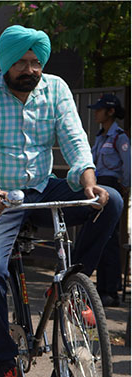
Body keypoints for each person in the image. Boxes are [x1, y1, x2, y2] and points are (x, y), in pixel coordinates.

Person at [0, 25, 122, 377]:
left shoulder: (56, 88)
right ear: (5, 64)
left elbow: (75, 139)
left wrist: (89, 181)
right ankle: (4, 365)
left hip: (43, 187)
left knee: (111, 199)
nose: (31, 69)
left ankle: (76, 285)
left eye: (36, 62)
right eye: (22, 62)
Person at [87, 93, 129, 306]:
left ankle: (110, 291)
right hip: (98, 187)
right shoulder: (100, 136)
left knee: (111, 238)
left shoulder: (119, 137)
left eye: (100, 109)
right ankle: (101, 286)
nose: (96, 113)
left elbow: (128, 165)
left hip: (111, 186)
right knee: (101, 236)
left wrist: (124, 187)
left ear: (110, 111)